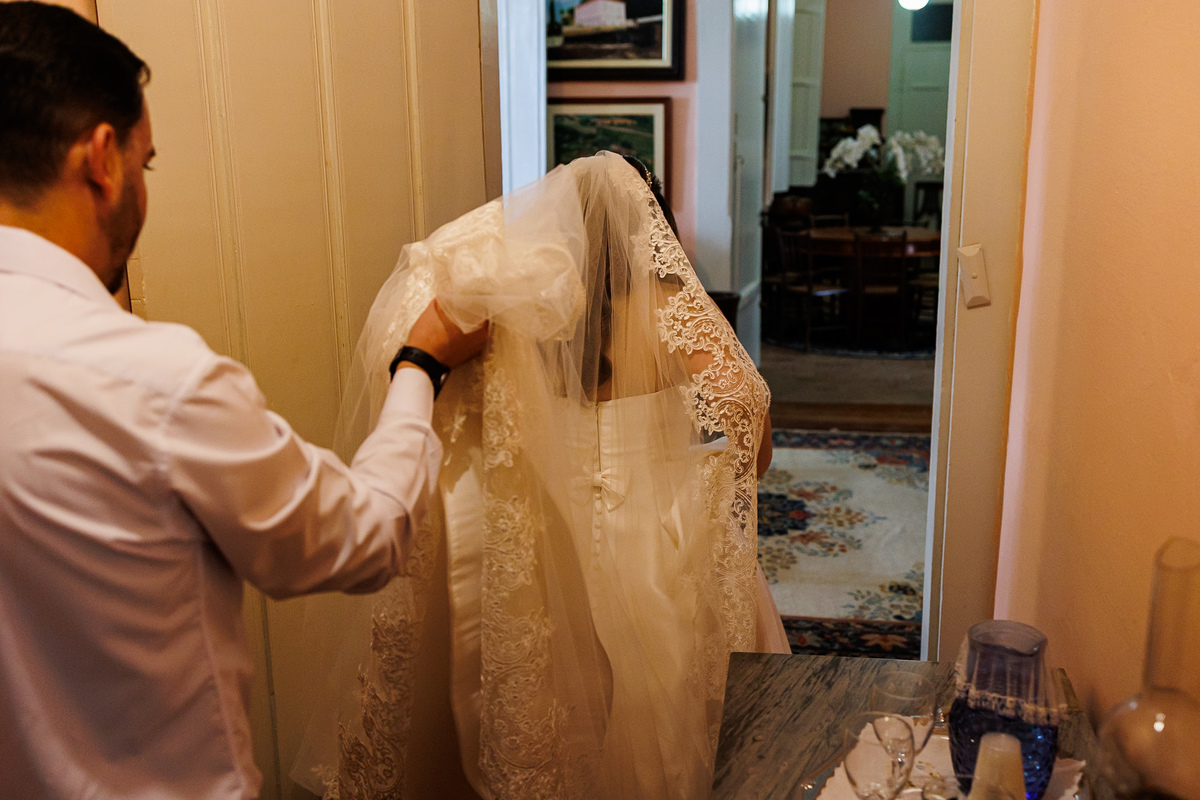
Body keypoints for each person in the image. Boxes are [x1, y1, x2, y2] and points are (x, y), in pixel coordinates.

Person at [0, 4, 486, 798]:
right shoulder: (151, 381)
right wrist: (420, 365)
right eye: (147, 163)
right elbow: (364, 537)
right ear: (102, 159)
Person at [292, 151, 789, 800]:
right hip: (659, 535)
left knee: (567, 715)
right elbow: (746, 409)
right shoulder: (665, 304)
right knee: (674, 709)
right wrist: (726, 479)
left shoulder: (529, 310)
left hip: (555, 541)